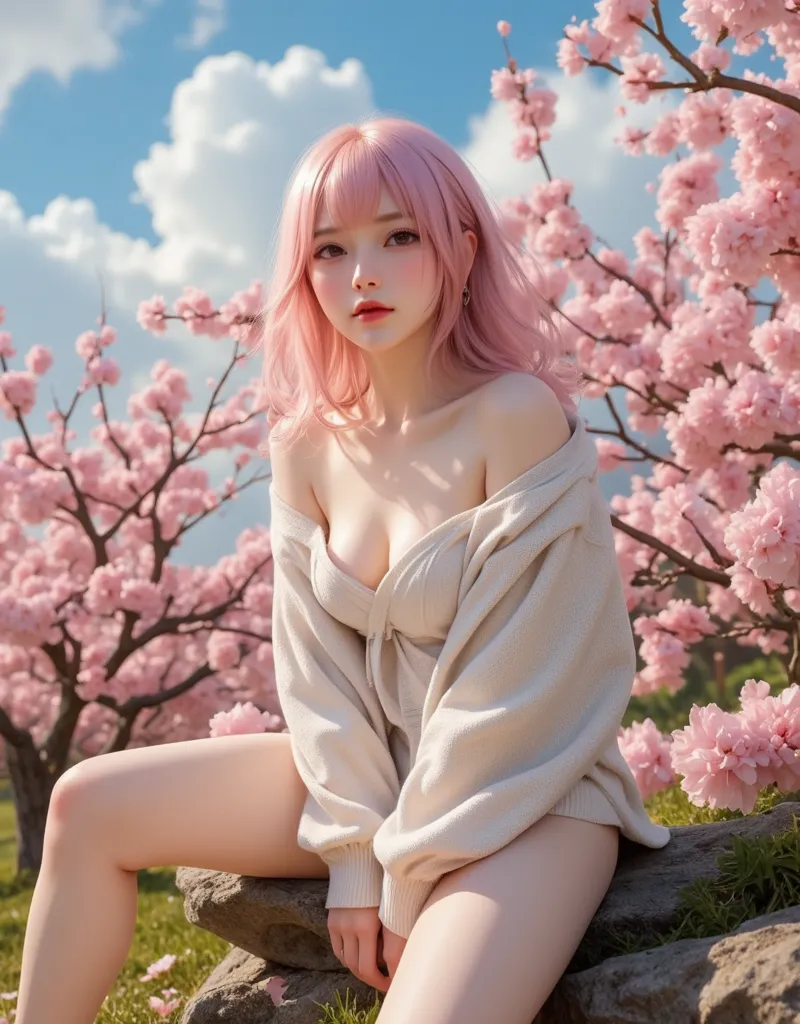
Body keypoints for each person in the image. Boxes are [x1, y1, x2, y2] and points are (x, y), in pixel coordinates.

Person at [15, 116, 670, 1024]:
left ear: (462, 248)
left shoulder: (513, 415)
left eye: (400, 236)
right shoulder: (306, 447)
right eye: (330, 249)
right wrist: (354, 853)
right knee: (86, 802)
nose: (362, 273)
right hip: (370, 782)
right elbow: (316, 677)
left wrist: (401, 875)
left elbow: (532, 681)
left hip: (527, 793)